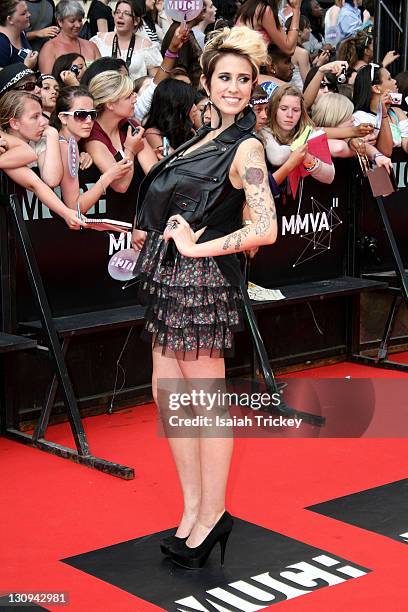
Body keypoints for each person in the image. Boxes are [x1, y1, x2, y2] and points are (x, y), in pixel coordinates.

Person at [132, 26, 277, 569]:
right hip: (170, 282)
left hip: (202, 286)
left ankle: (214, 513)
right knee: (170, 399)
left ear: (255, 86)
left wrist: (198, 247)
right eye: (225, 78)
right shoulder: (200, 139)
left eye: (244, 80)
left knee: (203, 408)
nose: (234, 88)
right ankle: (193, 511)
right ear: (206, 83)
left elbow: (266, 227)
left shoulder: (247, 147)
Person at [53, 85, 132, 213]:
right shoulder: (64, 147)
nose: (89, 121)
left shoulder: (73, 145)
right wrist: (108, 176)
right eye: (81, 115)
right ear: (63, 118)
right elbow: (75, 207)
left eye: (92, 114)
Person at [85, 71, 157, 198]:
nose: (135, 98)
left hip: (135, 209)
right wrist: (130, 150)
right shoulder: (92, 136)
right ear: (110, 104)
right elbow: (120, 185)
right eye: (128, 96)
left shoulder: (130, 125)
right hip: (109, 212)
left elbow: (155, 174)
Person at [261, 84, 335, 190]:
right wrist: (303, 148)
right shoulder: (264, 130)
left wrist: (308, 158)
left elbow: (329, 176)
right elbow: (277, 157)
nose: (290, 115)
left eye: (296, 110)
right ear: (274, 110)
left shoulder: (308, 131)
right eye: (283, 108)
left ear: (302, 112)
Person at [90, 0, 162, 80]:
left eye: (126, 13)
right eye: (117, 12)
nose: (120, 16)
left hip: (134, 90)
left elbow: (156, 80)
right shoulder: (100, 40)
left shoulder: (146, 46)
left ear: (136, 21)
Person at [353, 63, 408, 157]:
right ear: (376, 88)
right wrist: (383, 114)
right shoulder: (360, 118)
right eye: (389, 79)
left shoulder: (397, 112)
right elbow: (386, 152)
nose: (395, 81)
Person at [38, 0, 100, 74]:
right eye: (72, 21)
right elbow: (47, 81)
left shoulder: (91, 46)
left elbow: (102, 75)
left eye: (80, 20)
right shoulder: (49, 48)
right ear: (60, 21)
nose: (78, 25)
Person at [143, 79, 196, 153]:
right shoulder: (152, 134)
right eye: (190, 104)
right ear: (176, 106)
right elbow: (173, 160)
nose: (195, 108)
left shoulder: (187, 131)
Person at [235, 0, 301, 53]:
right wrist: (296, 9)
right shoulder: (264, 10)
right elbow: (289, 49)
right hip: (245, 62)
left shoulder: (251, 4)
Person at [0, 1, 38, 68]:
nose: (29, 14)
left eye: (27, 11)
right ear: (10, 19)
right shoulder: (2, 44)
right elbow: (3, 77)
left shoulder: (20, 31)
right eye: (23, 13)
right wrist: (27, 66)